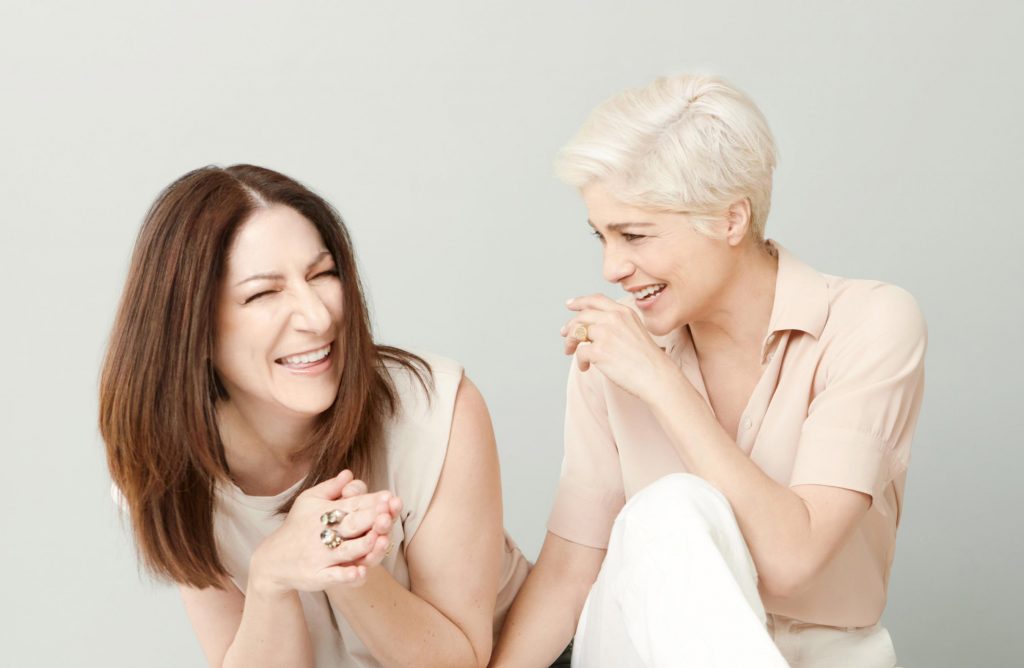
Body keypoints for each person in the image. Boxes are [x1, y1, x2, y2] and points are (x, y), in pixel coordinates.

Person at [492, 74, 926, 667]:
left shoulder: (869, 322)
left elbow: (791, 559)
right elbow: (571, 570)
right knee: (668, 511)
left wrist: (661, 385)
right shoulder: (612, 352)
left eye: (634, 235)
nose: (611, 267)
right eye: (602, 236)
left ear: (731, 220)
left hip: (827, 652)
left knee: (678, 503)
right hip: (638, 647)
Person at [100, 164, 528, 668]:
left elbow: (459, 661)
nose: (319, 317)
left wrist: (342, 561)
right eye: (263, 293)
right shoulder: (166, 469)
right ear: (191, 327)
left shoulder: (433, 408)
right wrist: (269, 579)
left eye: (322, 275)